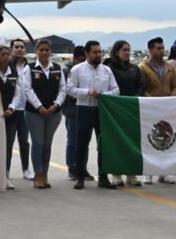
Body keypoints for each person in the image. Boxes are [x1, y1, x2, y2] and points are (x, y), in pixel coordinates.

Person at [67, 40, 120, 190]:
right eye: (95, 52)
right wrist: (87, 92)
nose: (98, 55)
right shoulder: (77, 69)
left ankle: (103, 177)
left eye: (99, 52)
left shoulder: (106, 70)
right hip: (84, 109)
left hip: (102, 110)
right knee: (81, 144)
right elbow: (69, 88)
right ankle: (80, 177)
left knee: (103, 144)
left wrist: (103, 95)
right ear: (87, 53)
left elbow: (116, 90)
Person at [24, 40, 66, 189]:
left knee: (47, 144)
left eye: (47, 50)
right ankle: (38, 174)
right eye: (41, 50)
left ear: (50, 51)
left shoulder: (57, 68)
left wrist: (56, 104)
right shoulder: (29, 68)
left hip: (54, 113)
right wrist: (40, 106)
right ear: (36, 51)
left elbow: (63, 89)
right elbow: (27, 89)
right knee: (38, 143)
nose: (44, 52)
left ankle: (45, 173)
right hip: (34, 112)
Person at [138, 37, 176, 185]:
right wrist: (152, 101)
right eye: (158, 48)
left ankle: (164, 173)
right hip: (150, 109)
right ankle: (148, 173)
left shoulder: (170, 67)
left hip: (168, 108)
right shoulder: (142, 68)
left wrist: (173, 95)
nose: (162, 51)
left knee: (167, 141)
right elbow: (142, 88)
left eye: (163, 48)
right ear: (150, 50)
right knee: (150, 140)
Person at [105, 40, 145, 187]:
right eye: (124, 50)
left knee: (132, 142)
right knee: (117, 142)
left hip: (132, 110)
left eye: (129, 50)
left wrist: (133, 99)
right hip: (115, 110)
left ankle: (131, 174)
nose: (127, 52)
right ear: (116, 52)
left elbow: (141, 86)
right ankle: (116, 173)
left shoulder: (135, 68)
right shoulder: (109, 68)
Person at [0, 45, 23, 190]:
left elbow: (18, 93)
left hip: (10, 115)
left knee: (8, 146)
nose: (6, 57)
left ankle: (6, 175)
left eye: (7, 54)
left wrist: (11, 108)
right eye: (3, 54)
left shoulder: (14, 72)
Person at [62, 47, 93, 181]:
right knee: (72, 141)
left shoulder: (89, 69)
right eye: (81, 59)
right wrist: (83, 93)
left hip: (87, 109)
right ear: (75, 58)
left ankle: (82, 167)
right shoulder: (67, 71)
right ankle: (72, 168)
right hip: (72, 111)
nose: (83, 62)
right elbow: (66, 91)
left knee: (85, 142)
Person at [9, 38, 34, 182]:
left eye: (21, 47)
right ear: (11, 49)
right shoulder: (8, 67)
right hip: (12, 109)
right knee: (9, 142)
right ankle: (6, 171)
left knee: (24, 141)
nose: (19, 49)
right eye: (16, 47)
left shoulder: (30, 67)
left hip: (26, 109)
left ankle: (26, 169)